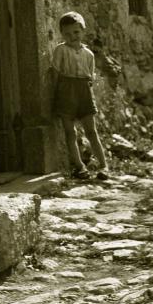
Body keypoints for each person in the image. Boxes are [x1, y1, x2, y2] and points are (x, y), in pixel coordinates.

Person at [52, 11, 109, 180]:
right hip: (66, 90)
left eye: (76, 32)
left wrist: (87, 90)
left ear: (83, 31)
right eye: (67, 33)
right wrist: (57, 94)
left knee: (91, 130)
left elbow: (90, 77)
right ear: (62, 34)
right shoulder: (60, 50)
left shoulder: (89, 54)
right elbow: (56, 73)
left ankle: (104, 165)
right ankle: (79, 166)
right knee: (70, 132)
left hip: (83, 90)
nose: (72, 36)